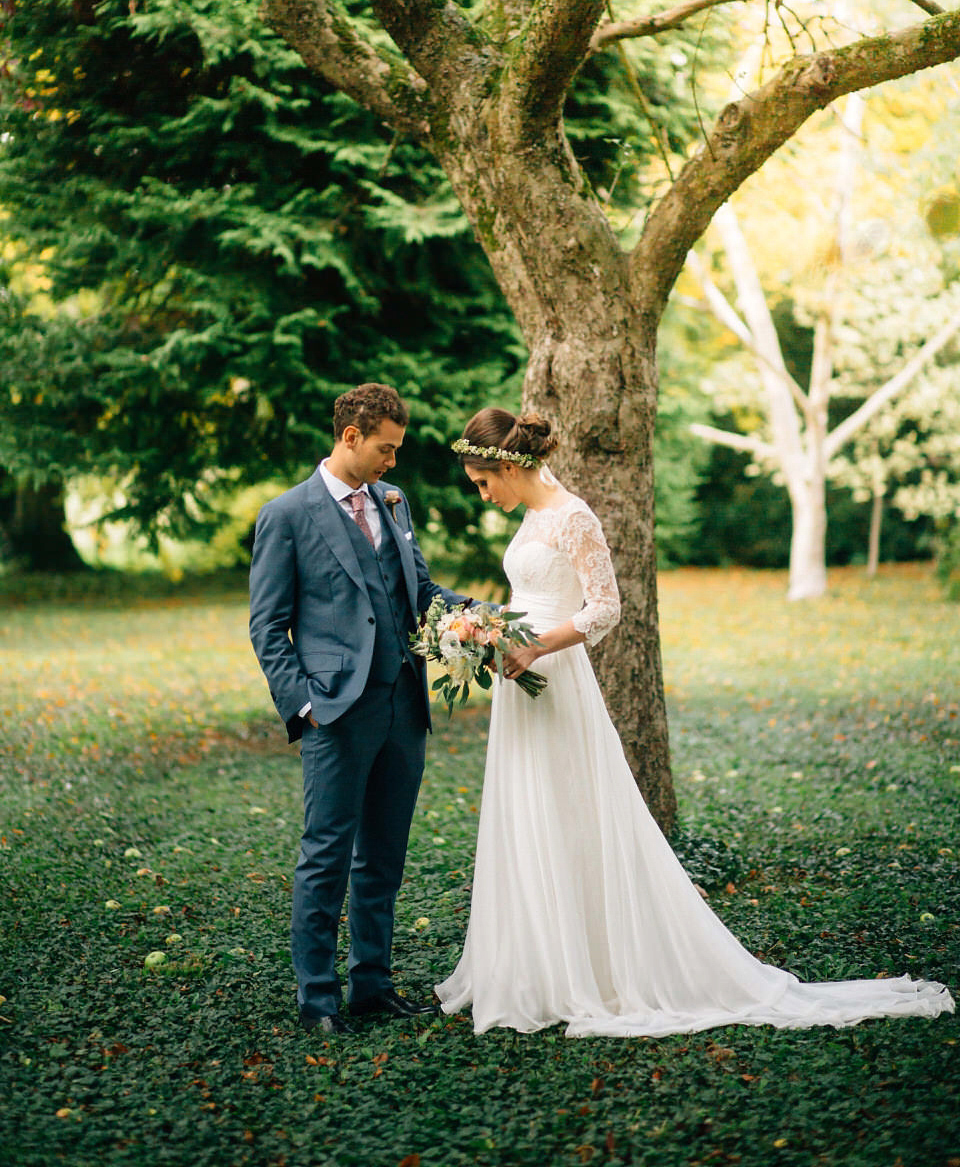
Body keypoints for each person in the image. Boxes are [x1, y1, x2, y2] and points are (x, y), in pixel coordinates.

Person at [435, 407, 954, 1037]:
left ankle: (589, 969)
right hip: (519, 682)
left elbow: (606, 609)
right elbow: (529, 598)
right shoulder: (531, 517)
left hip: (555, 677)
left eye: (484, 482)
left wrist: (535, 647)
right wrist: (486, 634)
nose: (482, 494)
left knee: (570, 810)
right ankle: (534, 964)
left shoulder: (574, 517)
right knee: (527, 812)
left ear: (511, 466)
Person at [249, 382, 470, 1036]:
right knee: (325, 854)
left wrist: (482, 618)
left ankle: (371, 985)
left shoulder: (394, 503)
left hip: (406, 704)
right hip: (337, 714)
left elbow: (421, 589)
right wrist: (306, 705)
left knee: (383, 856)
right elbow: (268, 626)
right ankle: (317, 998)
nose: (392, 463)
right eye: (386, 449)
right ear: (351, 436)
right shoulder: (286, 515)